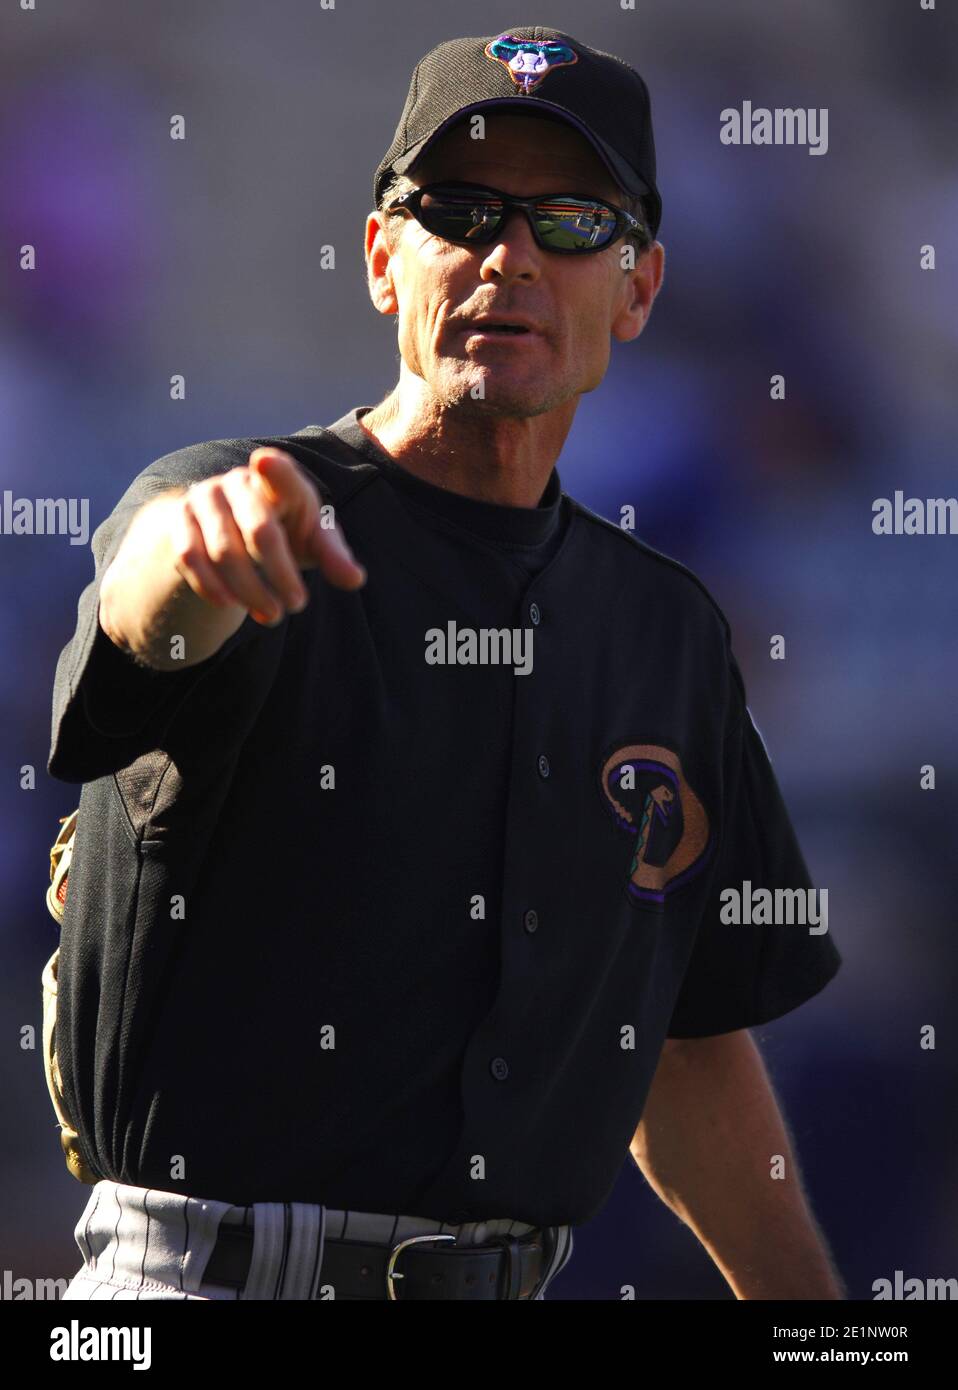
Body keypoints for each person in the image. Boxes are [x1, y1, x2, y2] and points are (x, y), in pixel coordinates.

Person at [47, 26, 844, 1301]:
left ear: (637, 288)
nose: (508, 256)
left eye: (572, 219)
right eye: (458, 210)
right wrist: (185, 566)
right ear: (381, 258)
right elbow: (157, 606)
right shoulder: (238, 504)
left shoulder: (662, 630)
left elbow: (686, 1039)